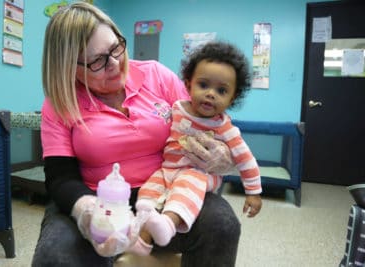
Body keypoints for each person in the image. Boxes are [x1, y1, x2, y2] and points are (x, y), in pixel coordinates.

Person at [32, 2, 241, 267]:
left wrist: (223, 153)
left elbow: (207, 121)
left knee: (222, 224)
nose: (116, 63)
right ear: (68, 68)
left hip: (166, 194)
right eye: (98, 61)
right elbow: (60, 178)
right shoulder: (60, 102)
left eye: (116, 47)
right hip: (97, 200)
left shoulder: (156, 75)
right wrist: (87, 211)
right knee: (56, 256)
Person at [132, 42, 263, 254]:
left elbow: (246, 160)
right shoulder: (176, 109)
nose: (211, 94)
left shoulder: (225, 128)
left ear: (233, 98)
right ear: (188, 84)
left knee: (188, 183)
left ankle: (169, 223)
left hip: (200, 174)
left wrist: (253, 192)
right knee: (150, 190)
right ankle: (143, 239)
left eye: (221, 90)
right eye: (203, 85)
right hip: (168, 170)